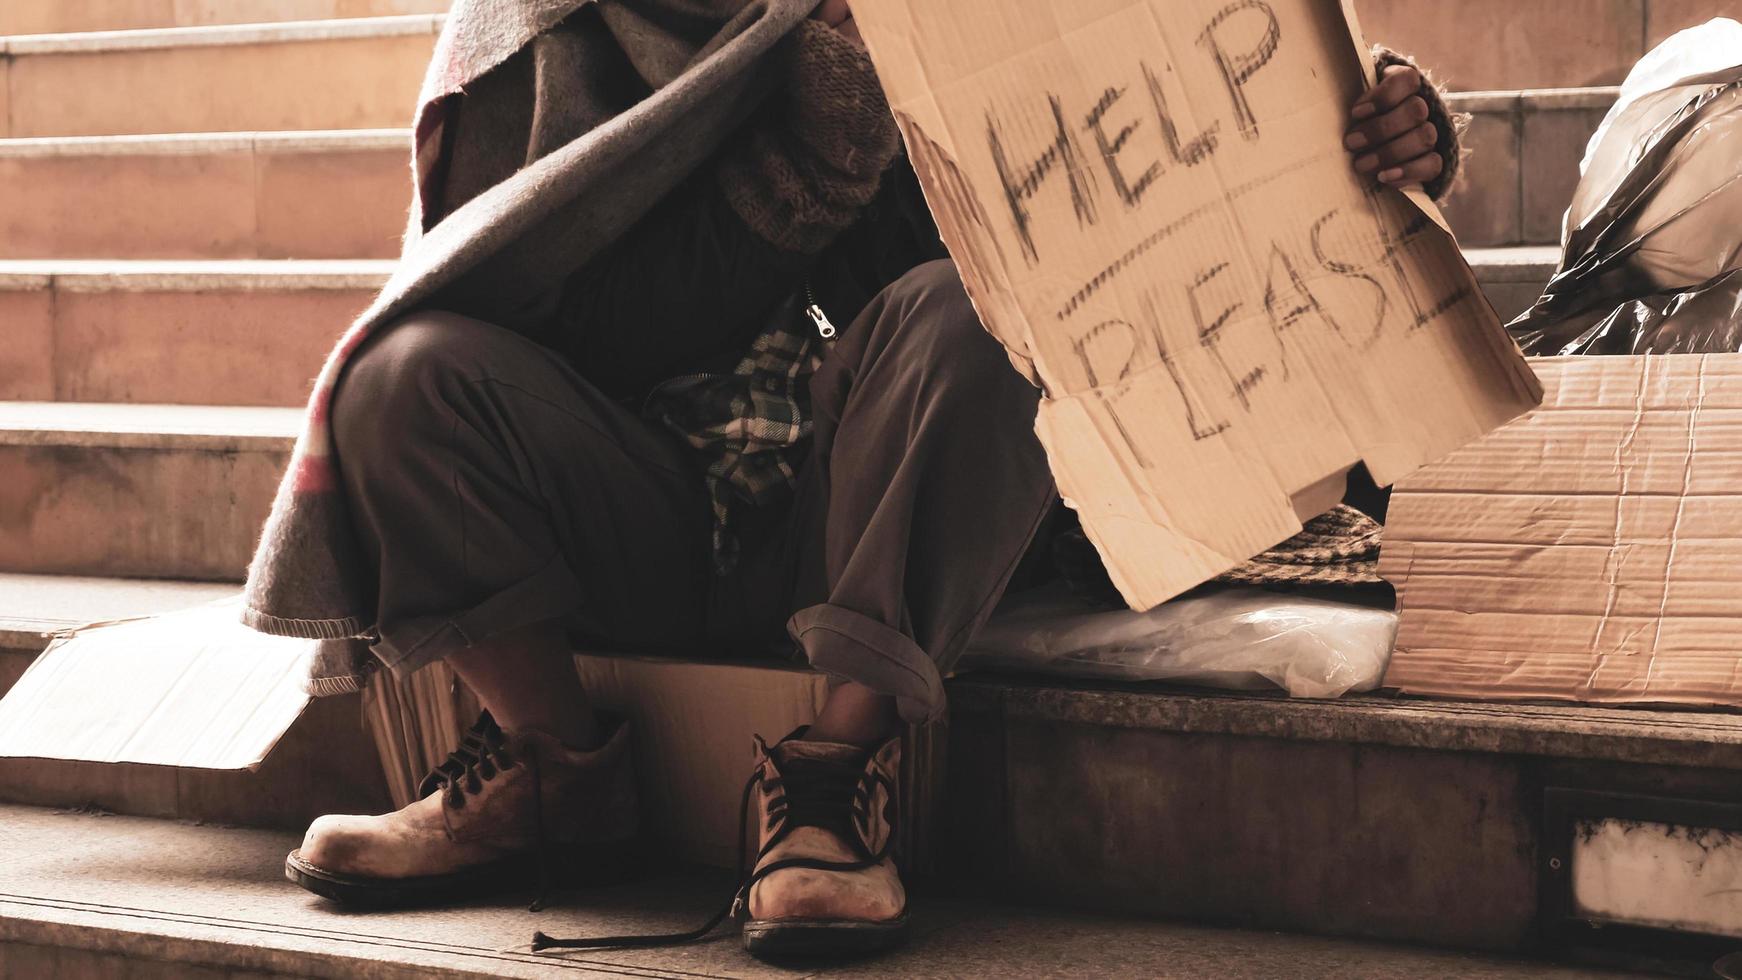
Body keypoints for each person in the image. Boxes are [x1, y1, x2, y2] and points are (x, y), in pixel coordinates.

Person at [258, 0, 1463, 961]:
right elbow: (570, 323)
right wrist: (810, 164)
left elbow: (1142, 152)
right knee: (400, 375)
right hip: (637, 499)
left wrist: (1355, 129)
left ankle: (834, 779)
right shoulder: (536, 36)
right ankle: (550, 767)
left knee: (983, 314)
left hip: (873, 498)